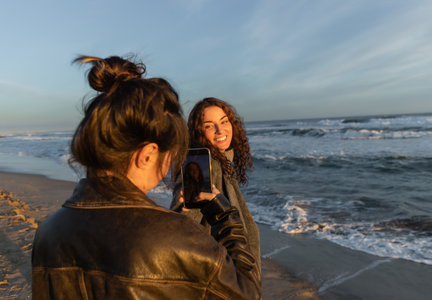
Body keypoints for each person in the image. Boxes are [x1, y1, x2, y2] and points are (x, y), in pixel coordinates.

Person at [32, 56, 261, 299]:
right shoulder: (170, 236)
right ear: (148, 154)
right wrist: (225, 216)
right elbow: (246, 292)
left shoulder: (47, 231)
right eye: (171, 151)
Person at [171, 97, 261, 278]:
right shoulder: (204, 167)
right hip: (222, 279)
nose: (221, 130)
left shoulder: (222, 162)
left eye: (224, 121)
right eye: (209, 125)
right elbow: (182, 227)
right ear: (198, 132)